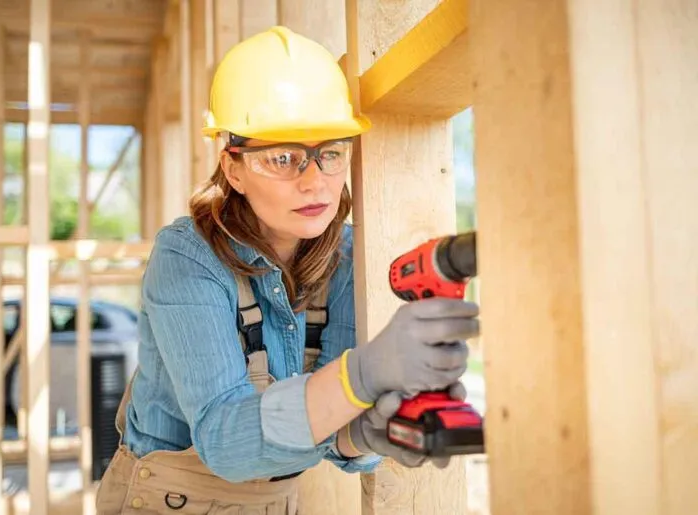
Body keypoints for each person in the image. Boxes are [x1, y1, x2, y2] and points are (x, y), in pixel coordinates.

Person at [95, 26, 479, 514]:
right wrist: (362, 375)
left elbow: (328, 430)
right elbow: (226, 443)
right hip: (165, 500)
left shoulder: (345, 256)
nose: (315, 182)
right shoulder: (186, 258)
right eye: (283, 158)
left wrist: (361, 436)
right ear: (233, 169)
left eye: (330, 153)